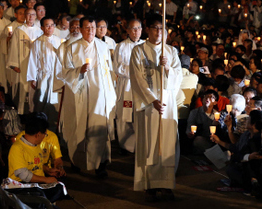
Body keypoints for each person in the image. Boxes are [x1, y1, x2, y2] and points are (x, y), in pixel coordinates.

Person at [130, 15, 182, 201]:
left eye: (162, 28)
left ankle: (166, 184)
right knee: (149, 143)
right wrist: (152, 100)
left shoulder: (171, 51)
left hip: (167, 103)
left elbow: (178, 77)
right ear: (148, 30)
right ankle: (149, 184)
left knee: (167, 144)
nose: (158, 32)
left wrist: (167, 67)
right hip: (149, 105)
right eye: (155, 28)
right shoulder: (138, 51)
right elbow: (137, 78)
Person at [61, 16, 117, 177]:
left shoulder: (102, 46)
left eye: (93, 28)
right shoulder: (72, 48)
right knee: (79, 127)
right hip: (80, 94)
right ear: (80, 29)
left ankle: (100, 164)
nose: (91, 31)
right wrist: (79, 71)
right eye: (87, 28)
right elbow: (65, 71)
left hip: (100, 94)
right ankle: (76, 160)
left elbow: (109, 70)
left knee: (99, 128)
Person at [7, 113, 66, 203]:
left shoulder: (35, 146)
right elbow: (23, 174)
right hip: (22, 186)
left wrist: (48, 170)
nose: (45, 137)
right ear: (38, 134)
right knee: (54, 191)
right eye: (44, 134)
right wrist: (46, 180)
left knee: (60, 187)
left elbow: (36, 164)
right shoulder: (18, 148)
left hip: (36, 184)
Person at [113, 18, 145, 154]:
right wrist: (135, 70)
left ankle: (140, 144)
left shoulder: (146, 46)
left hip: (142, 86)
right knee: (125, 115)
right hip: (126, 85)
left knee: (140, 115)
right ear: (127, 30)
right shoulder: (121, 46)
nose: (136, 31)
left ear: (142, 30)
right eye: (133, 28)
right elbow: (117, 67)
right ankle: (125, 145)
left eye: (138, 28)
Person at [27, 16, 61, 123]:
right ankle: (40, 122)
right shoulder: (37, 42)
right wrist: (33, 78)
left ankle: (53, 123)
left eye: (52, 25)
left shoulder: (59, 41)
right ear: (42, 28)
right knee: (41, 99)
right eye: (47, 25)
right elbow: (32, 60)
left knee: (54, 101)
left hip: (56, 75)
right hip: (43, 75)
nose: (50, 28)